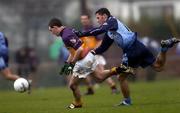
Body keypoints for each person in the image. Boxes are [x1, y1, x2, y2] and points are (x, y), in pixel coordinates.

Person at [75, 8, 180, 106]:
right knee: (158, 66)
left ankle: (127, 101)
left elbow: (99, 30)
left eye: (98, 18)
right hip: (138, 45)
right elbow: (103, 47)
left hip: (131, 50)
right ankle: (164, 48)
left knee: (121, 77)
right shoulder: (109, 31)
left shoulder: (112, 20)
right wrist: (92, 52)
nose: (97, 20)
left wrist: (81, 34)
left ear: (104, 16)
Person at [48, 18, 133, 109]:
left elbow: (79, 49)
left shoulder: (65, 36)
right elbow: (72, 51)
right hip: (88, 56)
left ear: (55, 27)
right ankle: (119, 69)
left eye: (51, 30)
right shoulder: (66, 31)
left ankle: (78, 103)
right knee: (99, 78)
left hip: (83, 60)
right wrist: (67, 63)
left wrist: (72, 63)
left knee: (72, 85)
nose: (51, 32)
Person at [80, 14, 118, 95]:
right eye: (82, 19)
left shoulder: (94, 30)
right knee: (83, 71)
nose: (83, 21)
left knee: (101, 72)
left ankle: (113, 86)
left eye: (85, 19)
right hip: (87, 56)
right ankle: (90, 89)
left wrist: (94, 50)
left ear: (89, 20)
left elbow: (100, 41)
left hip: (95, 54)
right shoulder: (82, 31)